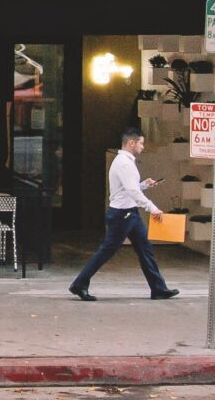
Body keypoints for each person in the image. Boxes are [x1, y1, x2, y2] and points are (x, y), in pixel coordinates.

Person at [68, 126, 180, 301]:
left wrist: (144, 185)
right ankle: (79, 284)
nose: (143, 147)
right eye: (141, 143)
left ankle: (158, 288)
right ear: (131, 143)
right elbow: (132, 192)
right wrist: (153, 208)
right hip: (122, 214)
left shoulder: (125, 162)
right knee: (106, 251)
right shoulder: (124, 163)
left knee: (145, 249)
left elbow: (129, 189)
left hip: (129, 213)